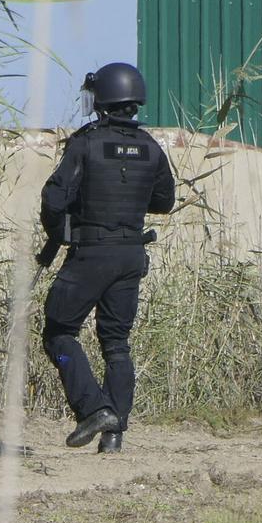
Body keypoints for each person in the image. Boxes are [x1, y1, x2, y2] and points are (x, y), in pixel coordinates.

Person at [38, 62, 175, 453]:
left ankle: (93, 408)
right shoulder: (151, 146)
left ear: (102, 99)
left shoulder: (86, 142)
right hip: (131, 254)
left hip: (91, 253)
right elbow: (165, 201)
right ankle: (114, 434)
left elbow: (54, 198)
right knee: (116, 343)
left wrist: (59, 233)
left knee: (58, 332)